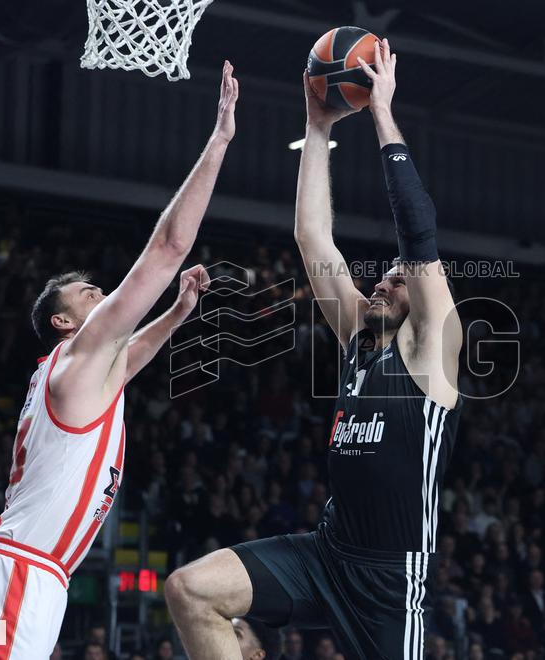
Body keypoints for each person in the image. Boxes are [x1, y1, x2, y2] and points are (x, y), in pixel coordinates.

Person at [163, 38, 462, 659]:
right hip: (325, 554)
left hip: (388, 578)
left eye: (400, 279)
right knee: (191, 591)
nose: (382, 280)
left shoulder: (435, 348)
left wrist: (381, 112)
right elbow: (312, 235)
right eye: (383, 275)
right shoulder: (359, 338)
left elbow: (418, 232)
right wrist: (317, 125)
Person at [0, 61, 239, 660]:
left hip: (23, 574)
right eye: (88, 295)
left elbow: (133, 358)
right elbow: (170, 247)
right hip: (19, 574)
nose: (102, 296)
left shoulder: (82, 375)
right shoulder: (77, 358)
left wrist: (179, 312)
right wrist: (220, 140)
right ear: (64, 323)